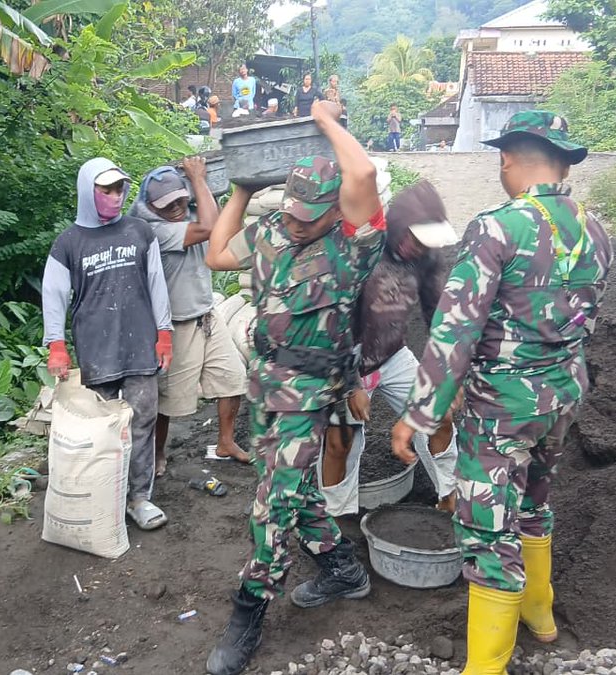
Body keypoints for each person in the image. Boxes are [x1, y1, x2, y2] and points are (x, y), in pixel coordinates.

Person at [391, 111, 613, 674]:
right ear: (563, 163)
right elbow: (586, 316)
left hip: (502, 410)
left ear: (508, 158)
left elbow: (456, 329)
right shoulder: (595, 227)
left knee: (488, 531)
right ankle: (541, 616)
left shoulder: (498, 227)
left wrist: (419, 414)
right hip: (561, 395)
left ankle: (485, 668)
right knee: (536, 502)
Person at [203, 100, 385, 675]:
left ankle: (248, 611)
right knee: (285, 488)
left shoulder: (354, 246)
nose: (296, 221)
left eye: (310, 214)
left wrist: (325, 118)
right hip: (265, 381)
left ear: (337, 212)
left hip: (311, 391)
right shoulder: (271, 231)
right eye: (291, 209)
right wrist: (241, 189)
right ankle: (342, 568)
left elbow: (362, 175)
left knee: (272, 505)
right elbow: (215, 254)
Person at [42, 158, 175, 531]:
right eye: (106, 190)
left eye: (119, 190)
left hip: (140, 348)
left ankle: (139, 499)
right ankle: (104, 497)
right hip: (96, 350)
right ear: (88, 191)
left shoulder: (139, 232)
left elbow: (156, 284)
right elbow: (54, 295)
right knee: (99, 430)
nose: (115, 198)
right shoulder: (69, 242)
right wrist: (56, 344)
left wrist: (164, 333)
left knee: (142, 422)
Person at [320, 180, 462, 517]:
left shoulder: (426, 259)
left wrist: (447, 373)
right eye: (414, 238)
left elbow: (437, 315)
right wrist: (353, 383)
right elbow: (334, 324)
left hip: (392, 354)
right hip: (344, 358)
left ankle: (449, 496)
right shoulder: (361, 250)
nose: (418, 247)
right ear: (399, 225)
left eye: (425, 242)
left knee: (440, 415)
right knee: (341, 442)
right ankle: (335, 519)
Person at [127, 157, 251, 477]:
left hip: (207, 316)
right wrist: (198, 179)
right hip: (176, 327)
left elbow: (222, 227)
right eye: (167, 204)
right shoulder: (154, 231)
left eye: (181, 200)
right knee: (168, 401)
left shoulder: (191, 212)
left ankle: (225, 442)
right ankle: (156, 454)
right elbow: (212, 228)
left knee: (233, 379)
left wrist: (198, 188)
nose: (177, 208)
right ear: (150, 206)